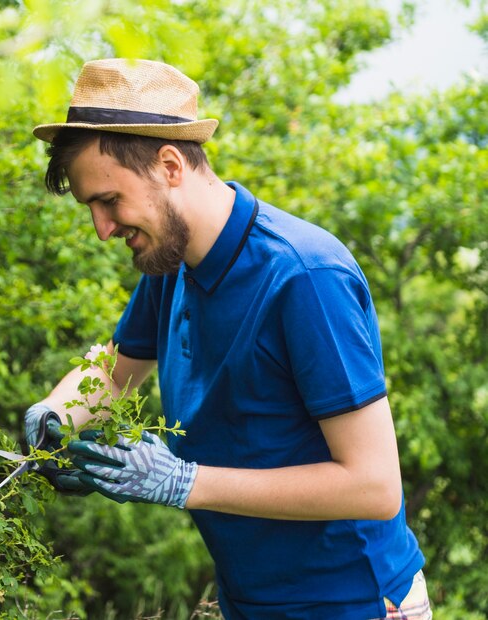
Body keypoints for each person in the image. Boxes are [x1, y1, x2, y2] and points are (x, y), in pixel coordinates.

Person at [24, 58, 431, 619]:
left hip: (352, 601)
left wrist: (183, 482)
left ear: (170, 165)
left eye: (109, 201)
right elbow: (113, 374)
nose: (102, 228)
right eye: (90, 206)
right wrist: (54, 413)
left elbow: (374, 486)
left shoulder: (304, 277)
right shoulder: (171, 263)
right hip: (250, 599)